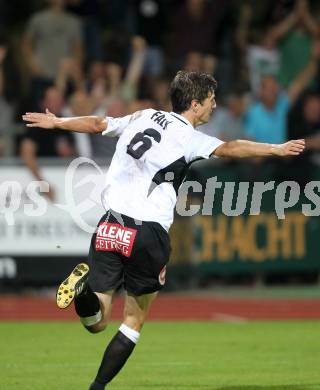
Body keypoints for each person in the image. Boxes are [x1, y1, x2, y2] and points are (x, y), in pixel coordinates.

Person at [22, 70, 305, 389]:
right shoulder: (190, 137)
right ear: (195, 105)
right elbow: (229, 148)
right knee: (133, 320)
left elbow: (99, 124)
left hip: (111, 223)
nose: (215, 107)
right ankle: (96, 388)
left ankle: (84, 290)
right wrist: (275, 149)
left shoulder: (145, 115)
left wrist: (58, 121)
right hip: (149, 233)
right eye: (211, 101)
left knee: (97, 320)